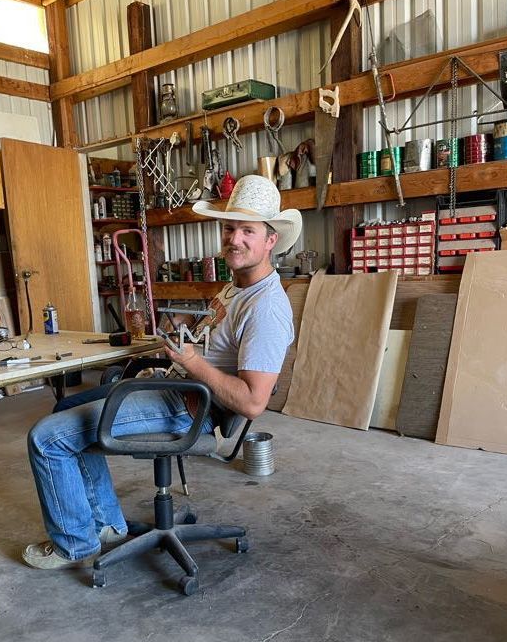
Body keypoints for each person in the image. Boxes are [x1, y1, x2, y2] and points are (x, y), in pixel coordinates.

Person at [23, 174, 302, 569]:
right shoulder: (236, 287)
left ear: (270, 240)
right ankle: (105, 527)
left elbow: (253, 402)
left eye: (248, 231)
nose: (234, 239)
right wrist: (173, 347)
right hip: (175, 388)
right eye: (229, 228)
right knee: (63, 412)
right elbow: (209, 340)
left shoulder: (267, 308)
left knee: (47, 438)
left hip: (193, 409)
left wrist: (189, 361)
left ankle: (76, 544)